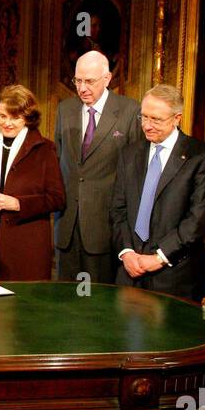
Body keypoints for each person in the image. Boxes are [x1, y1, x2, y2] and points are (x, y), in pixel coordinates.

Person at [110, 84, 205, 299]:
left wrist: (159, 257)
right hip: (130, 274)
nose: (147, 126)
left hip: (177, 276)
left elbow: (199, 219)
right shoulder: (129, 154)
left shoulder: (201, 156)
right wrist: (127, 253)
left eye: (156, 119)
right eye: (143, 117)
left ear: (177, 118)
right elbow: (117, 208)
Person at [54, 49, 141, 282]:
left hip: (105, 226)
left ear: (107, 78)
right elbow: (59, 161)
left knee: (99, 303)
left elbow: (134, 174)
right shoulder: (65, 109)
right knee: (64, 301)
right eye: (78, 80)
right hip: (67, 225)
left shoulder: (129, 111)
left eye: (90, 81)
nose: (82, 88)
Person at [0, 84, 65, 280]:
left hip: (27, 248)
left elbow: (57, 198)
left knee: (24, 307)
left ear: (28, 118)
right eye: (3, 116)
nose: (7, 123)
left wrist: (18, 203)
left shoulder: (45, 150)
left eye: (15, 117)